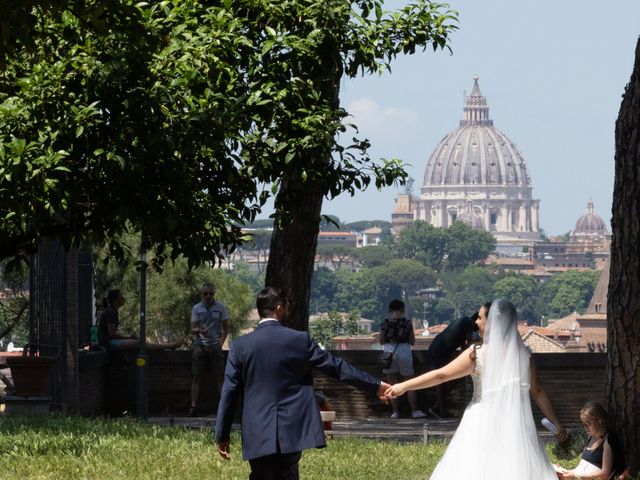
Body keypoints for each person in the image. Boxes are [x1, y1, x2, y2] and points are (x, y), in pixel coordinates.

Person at [215, 287, 390, 480]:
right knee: (288, 473)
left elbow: (229, 392)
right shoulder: (299, 340)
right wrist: (375, 385)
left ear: (259, 311)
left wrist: (222, 434)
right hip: (292, 425)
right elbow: (336, 367)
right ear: (279, 308)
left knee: (260, 473)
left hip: (257, 426)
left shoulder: (240, 346)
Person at [385, 298, 568, 479]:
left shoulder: (477, 354)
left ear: (493, 323)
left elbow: (441, 375)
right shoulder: (525, 356)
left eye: (480, 318)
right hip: (517, 425)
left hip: (481, 421)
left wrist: (404, 385)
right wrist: (557, 423)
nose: (476, 321)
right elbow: (537, 391)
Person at [426, 312, 480, 417]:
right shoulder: (468, 323)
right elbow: (468, 345)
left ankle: (438, 408)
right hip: (441, 350)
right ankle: (440, 410)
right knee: (445, 379)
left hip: (437, 347)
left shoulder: (463, 321)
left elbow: (463, 345)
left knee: (447, 379)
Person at [379, 299, 426, 419]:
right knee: (409, 383)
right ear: (402, 310)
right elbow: (412, 341)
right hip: (404, 351)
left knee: (391, 384)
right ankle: (414, 411)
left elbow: (381, 341)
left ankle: (395, 412)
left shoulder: (385, 323)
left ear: (390, 310)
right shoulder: (407, 323)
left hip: (389, 352)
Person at [555, 401, 627, 480]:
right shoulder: (590, 438)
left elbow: (605, 474)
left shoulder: (608, 440)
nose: (586, 427)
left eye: (588, 424)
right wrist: (566, 472)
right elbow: (583, 468)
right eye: (584, 424)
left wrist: (574, 475)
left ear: (599, 421)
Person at [97, 289, 182, 351]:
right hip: (107, 344)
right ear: (115, 300)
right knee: (139, 343)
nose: (124, 298)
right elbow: (112, 334)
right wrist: (128, 338)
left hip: (109, 342)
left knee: (138, 342)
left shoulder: (112, 311)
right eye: (121, 297)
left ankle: (168, 346)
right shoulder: (110, 312)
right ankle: (169, 346)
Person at [189, 282, 228, 417]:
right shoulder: (196, 308)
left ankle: (223, 407)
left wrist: (220, 344)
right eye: (206, 293)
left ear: (214, 294)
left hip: (215, 346)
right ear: (202, 294)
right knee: (196, 376)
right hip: (200, 345)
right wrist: (200, 330)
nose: (208, 296)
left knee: (220, 377)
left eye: (211, 293)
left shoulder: (221, 307)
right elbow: (192, 329)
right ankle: (193, 406)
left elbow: (226, 328)